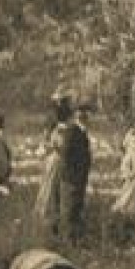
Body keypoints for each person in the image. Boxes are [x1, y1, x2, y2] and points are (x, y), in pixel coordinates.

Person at [32, 96, 73, 235]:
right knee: (52, 191)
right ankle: (50, 222)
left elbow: (49, 143)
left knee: (49, 190)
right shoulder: (63, 131)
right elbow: (60, 147)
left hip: (52, 161)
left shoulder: (56, 129)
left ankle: (48, 219)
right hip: (57, 162)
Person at [57, 102, 94, 241]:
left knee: (76, 210)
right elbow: (66, 156)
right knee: (69, 211)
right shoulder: (72, 131)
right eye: (82, 112)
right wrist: (73, 177)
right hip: (72, 179)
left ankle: (74, 240)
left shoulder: (81, 131)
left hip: (78, 179)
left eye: (86, 112)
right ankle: (68, 241)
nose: (85, 116)